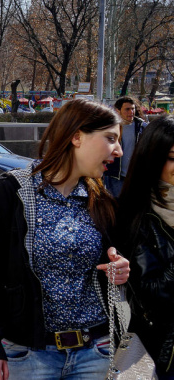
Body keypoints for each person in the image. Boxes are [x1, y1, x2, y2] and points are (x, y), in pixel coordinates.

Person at [0, 98, 131, 380]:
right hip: (28, 356)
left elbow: (113, 263)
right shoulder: (12, 190)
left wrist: (120, 268)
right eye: (110, 138)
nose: (118, 150)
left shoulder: (101, 200)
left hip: (95, 353)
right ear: (77, 137)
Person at [116, 115, 174, 379]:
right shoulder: (135, 215)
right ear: (153, 158)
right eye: (173, 157)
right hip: (161, 354)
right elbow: (152, 294)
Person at [104, 96, 147, 197]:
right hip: (115, 175)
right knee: (117, 205)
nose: (131, 112)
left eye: (133, 109)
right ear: (118, 111)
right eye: (127, 109)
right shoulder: (110, 127)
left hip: (136, 175)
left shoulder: (141, 127)